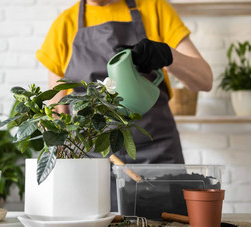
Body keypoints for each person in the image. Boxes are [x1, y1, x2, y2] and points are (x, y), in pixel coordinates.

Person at [35, 0, 213, 211]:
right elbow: (58, 110)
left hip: (159, 158)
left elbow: (205, 80)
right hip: (95, 165)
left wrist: (167, 55)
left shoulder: (154, 8)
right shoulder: (64, 25)